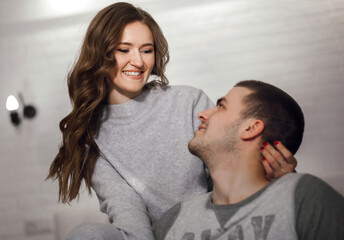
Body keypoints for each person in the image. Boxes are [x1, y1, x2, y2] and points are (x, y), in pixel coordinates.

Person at [46, 2, 297, 240]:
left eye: (147, 50)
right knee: (88, 235)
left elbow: (230, 170)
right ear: (100, 54)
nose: (139, 61)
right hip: (151, 234)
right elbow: (127, 210)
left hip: (207, 225)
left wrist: (282, 180)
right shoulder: (93, 137)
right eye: (124, 50)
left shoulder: (189, 100)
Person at [154, 80, 344, 240]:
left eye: (221, 106)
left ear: (251, 128)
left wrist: (284, 190)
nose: (202, 114)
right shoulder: (173, 221)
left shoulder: (305, 199)